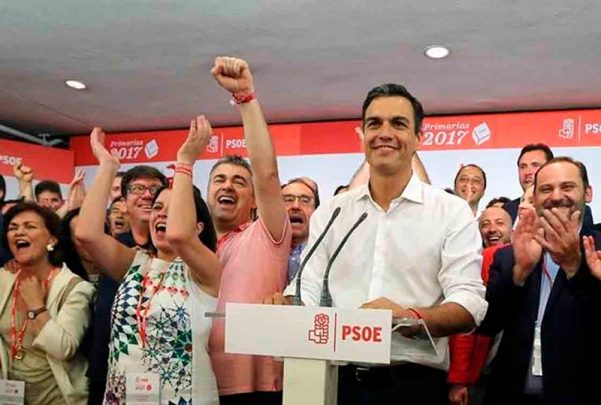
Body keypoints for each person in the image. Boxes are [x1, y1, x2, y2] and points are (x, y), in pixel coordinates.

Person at [276, 83, 487, 404]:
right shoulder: (333, 212)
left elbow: (469, 303)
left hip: (413, 385)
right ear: (362, 135)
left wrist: (411, 318)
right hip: (336, 380)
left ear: (418, 138)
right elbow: (308, 287)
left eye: (398, 124)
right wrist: (286, 305)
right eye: (374, 123)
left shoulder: (450, 211)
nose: (384, 133)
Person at [76, 121, 222, 404]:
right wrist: (107, 167)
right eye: (157, 208)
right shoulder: (135, 262)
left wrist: (185, 162)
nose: (162, 215)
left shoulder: (205, 269)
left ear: (198, 227)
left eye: (172, 208)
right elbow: (86, 234)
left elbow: (180, 234)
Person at [479, 157, 601, 405]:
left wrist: (574, 268)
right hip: (510, 396)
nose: (556, 196)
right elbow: (487, 324)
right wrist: (520, 272)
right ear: (534, 198)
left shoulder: (598, 249)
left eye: (567, 187)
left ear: (587, 193)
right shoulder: (509, 254)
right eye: (546, 189)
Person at [207, 57, 292, 405]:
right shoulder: (188, 244)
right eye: (219, 180)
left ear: (255, 199)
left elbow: (266, 173)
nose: (227, 186)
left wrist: (246, 98)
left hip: (255, 387)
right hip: (195, 382)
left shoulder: (267, 234)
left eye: (239, 182)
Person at [87, 164, 167, 405]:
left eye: (155, 189)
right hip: (108, 372)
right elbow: (85, 234)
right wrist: (107, 166)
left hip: (161, 376)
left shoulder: (175, 250)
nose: (147, 195)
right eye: (138, 188)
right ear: (123, 201)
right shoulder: (113, 246)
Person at [0, 202, 95, 404]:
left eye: (30, 226)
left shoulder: (75, 288)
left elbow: (63, 349)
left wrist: (36, 305)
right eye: (13, 228)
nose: (19, 232)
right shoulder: (3, 279)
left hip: (58, 398)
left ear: (51, 239)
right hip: (9, 397)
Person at [282, 177, 319, 282]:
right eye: (288, 200)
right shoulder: (259, 251)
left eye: (305, 201)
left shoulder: (325, 253)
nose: (296, 206)